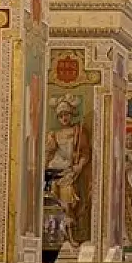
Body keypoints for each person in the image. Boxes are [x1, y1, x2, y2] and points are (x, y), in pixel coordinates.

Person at [45, 97, 91, 244]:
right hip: (54, 169)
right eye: (61, 115)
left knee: (67, 204)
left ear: (71, 115)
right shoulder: (54, 134)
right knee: (54, 203)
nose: (64, 118)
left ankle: (71, 237)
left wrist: (80, 166)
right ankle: (56, 237)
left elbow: (85, 153)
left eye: (66, 114)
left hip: (69, 171)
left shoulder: (78, 131)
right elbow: (49, 153)